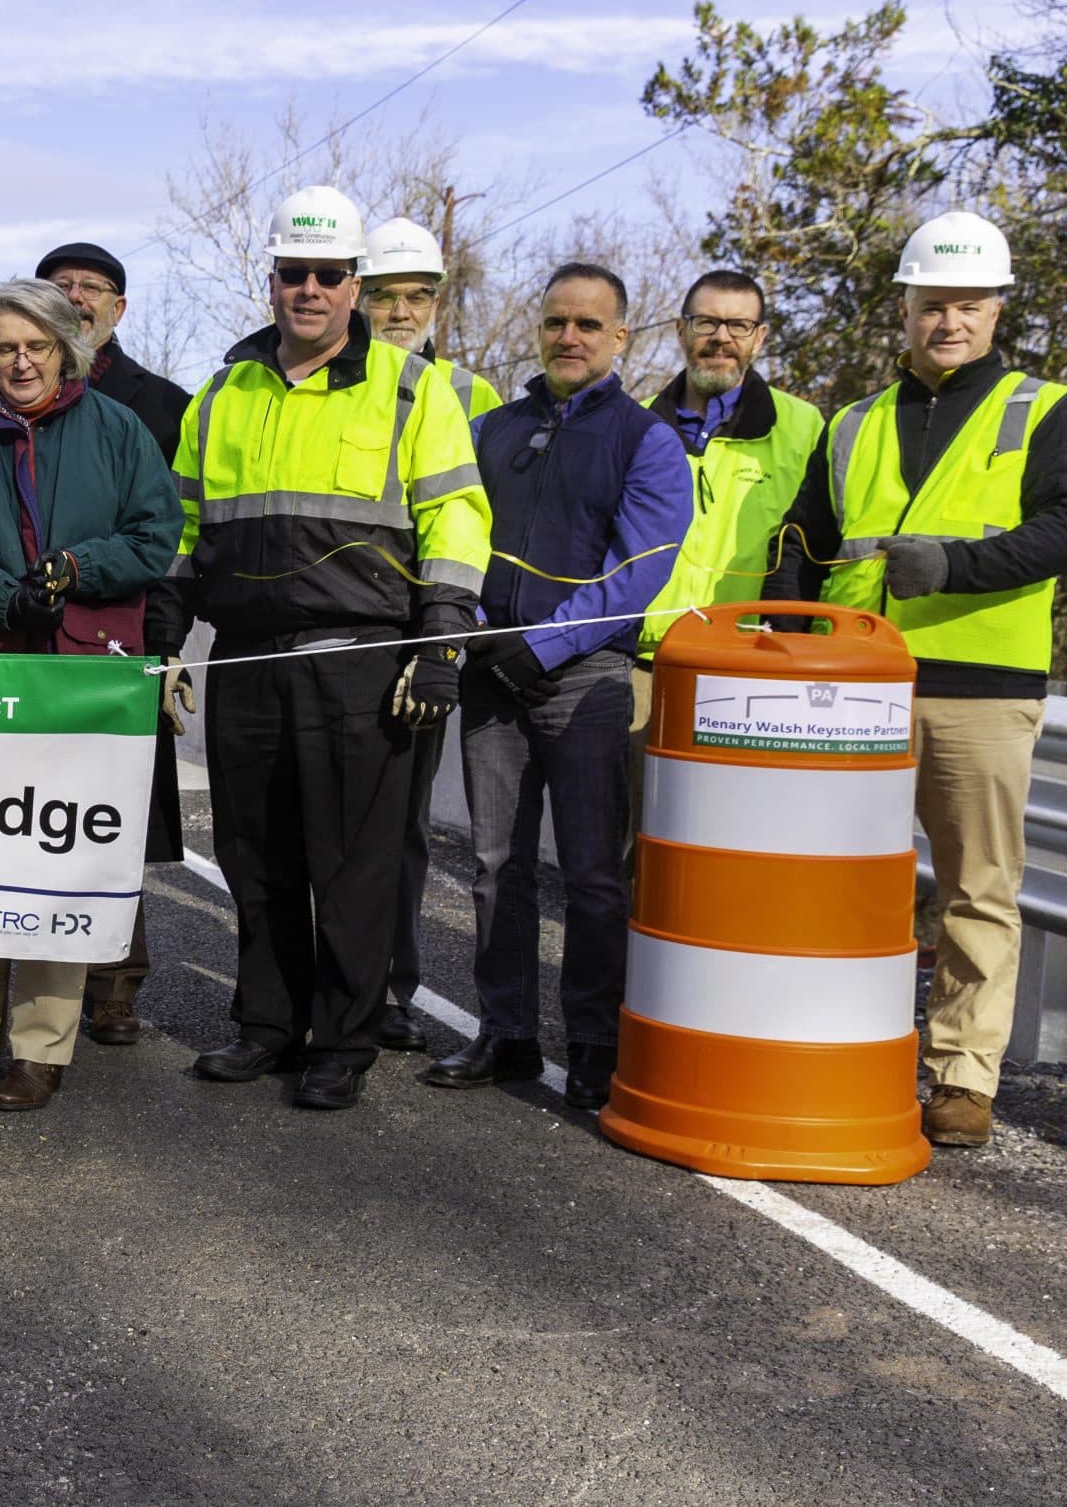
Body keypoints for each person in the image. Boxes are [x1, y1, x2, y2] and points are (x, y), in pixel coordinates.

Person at [175, 186, 490, 1112]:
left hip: (361, 655)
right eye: (292, 273)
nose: (309, 289)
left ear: (355, 285)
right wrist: (163, 641)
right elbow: (184, 530)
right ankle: (268, 1025)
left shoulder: (413, 388)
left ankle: (342, 1039)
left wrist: (440, 643)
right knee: (255, 854)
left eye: (329, 275)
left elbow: (457, 518)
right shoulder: (223, 391)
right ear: (269, 280)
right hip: (244, 655)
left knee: (351, 863)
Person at [781, 211, 1064, 1149]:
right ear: (903, 309)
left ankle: (960, 1075)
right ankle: (833, 1038)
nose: (950, 319)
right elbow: (807, 543)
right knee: (843, 880)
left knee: (977, 888)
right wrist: (786, 637)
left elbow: (1059, 528)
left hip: (981, 683)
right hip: (855, 681)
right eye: (933, 302)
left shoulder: (1043, 408)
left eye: (969, 304)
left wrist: (952, 569)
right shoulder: (854, 421)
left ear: (997, 310)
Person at [0, 278, 180, 1112]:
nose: (20, 361)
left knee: (58, 854)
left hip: (86, 669)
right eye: (4, 347)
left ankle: (40, 1042)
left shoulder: (118, 428)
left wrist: (78, 569)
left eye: (37, 346)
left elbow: (154, 533)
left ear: (67, 348)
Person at [421, 263, 689, 1112]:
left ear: (619, 338)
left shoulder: (647, 440)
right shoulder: (493, 429)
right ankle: (505, 1033)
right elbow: (457, 536)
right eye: (555, 322)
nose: (568, 337)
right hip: (492, 676)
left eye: (587, 324)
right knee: (496, 865)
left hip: (586, 679)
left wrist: (543, 646)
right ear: (539, 329)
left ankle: (594, 1043)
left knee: (592, 874)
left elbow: (640, 570)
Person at [38, 241, 194, 1045]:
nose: (74, 298)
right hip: (24, 641)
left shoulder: (162, 403)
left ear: (118, 309)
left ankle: (113, 982)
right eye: (57, 287)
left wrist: (163, 646)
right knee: (8, 809)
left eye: (90, 288)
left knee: (112, 817)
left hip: (120, 640)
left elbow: (174, 538)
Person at [356, 216, 504, 1053]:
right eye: (385, 295)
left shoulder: (477, 399)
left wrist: (441, 641)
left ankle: (387, 989)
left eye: (417, 295)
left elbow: (473, 527)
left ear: (439, 301)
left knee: (401, 830)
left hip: (425, 642)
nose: (401, 311)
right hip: (351, 632)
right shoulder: (338, 381)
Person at [630, 270, 823, 873]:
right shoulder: (634, 424)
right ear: (682, 330)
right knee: (631, 845)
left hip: (752, 674)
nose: (722, 338)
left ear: (760, 337)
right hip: (642, 666)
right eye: (707, 323)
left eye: (738, 325)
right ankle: (625, 969)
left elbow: (813, 551)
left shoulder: (806, 429)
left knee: (731, 847)